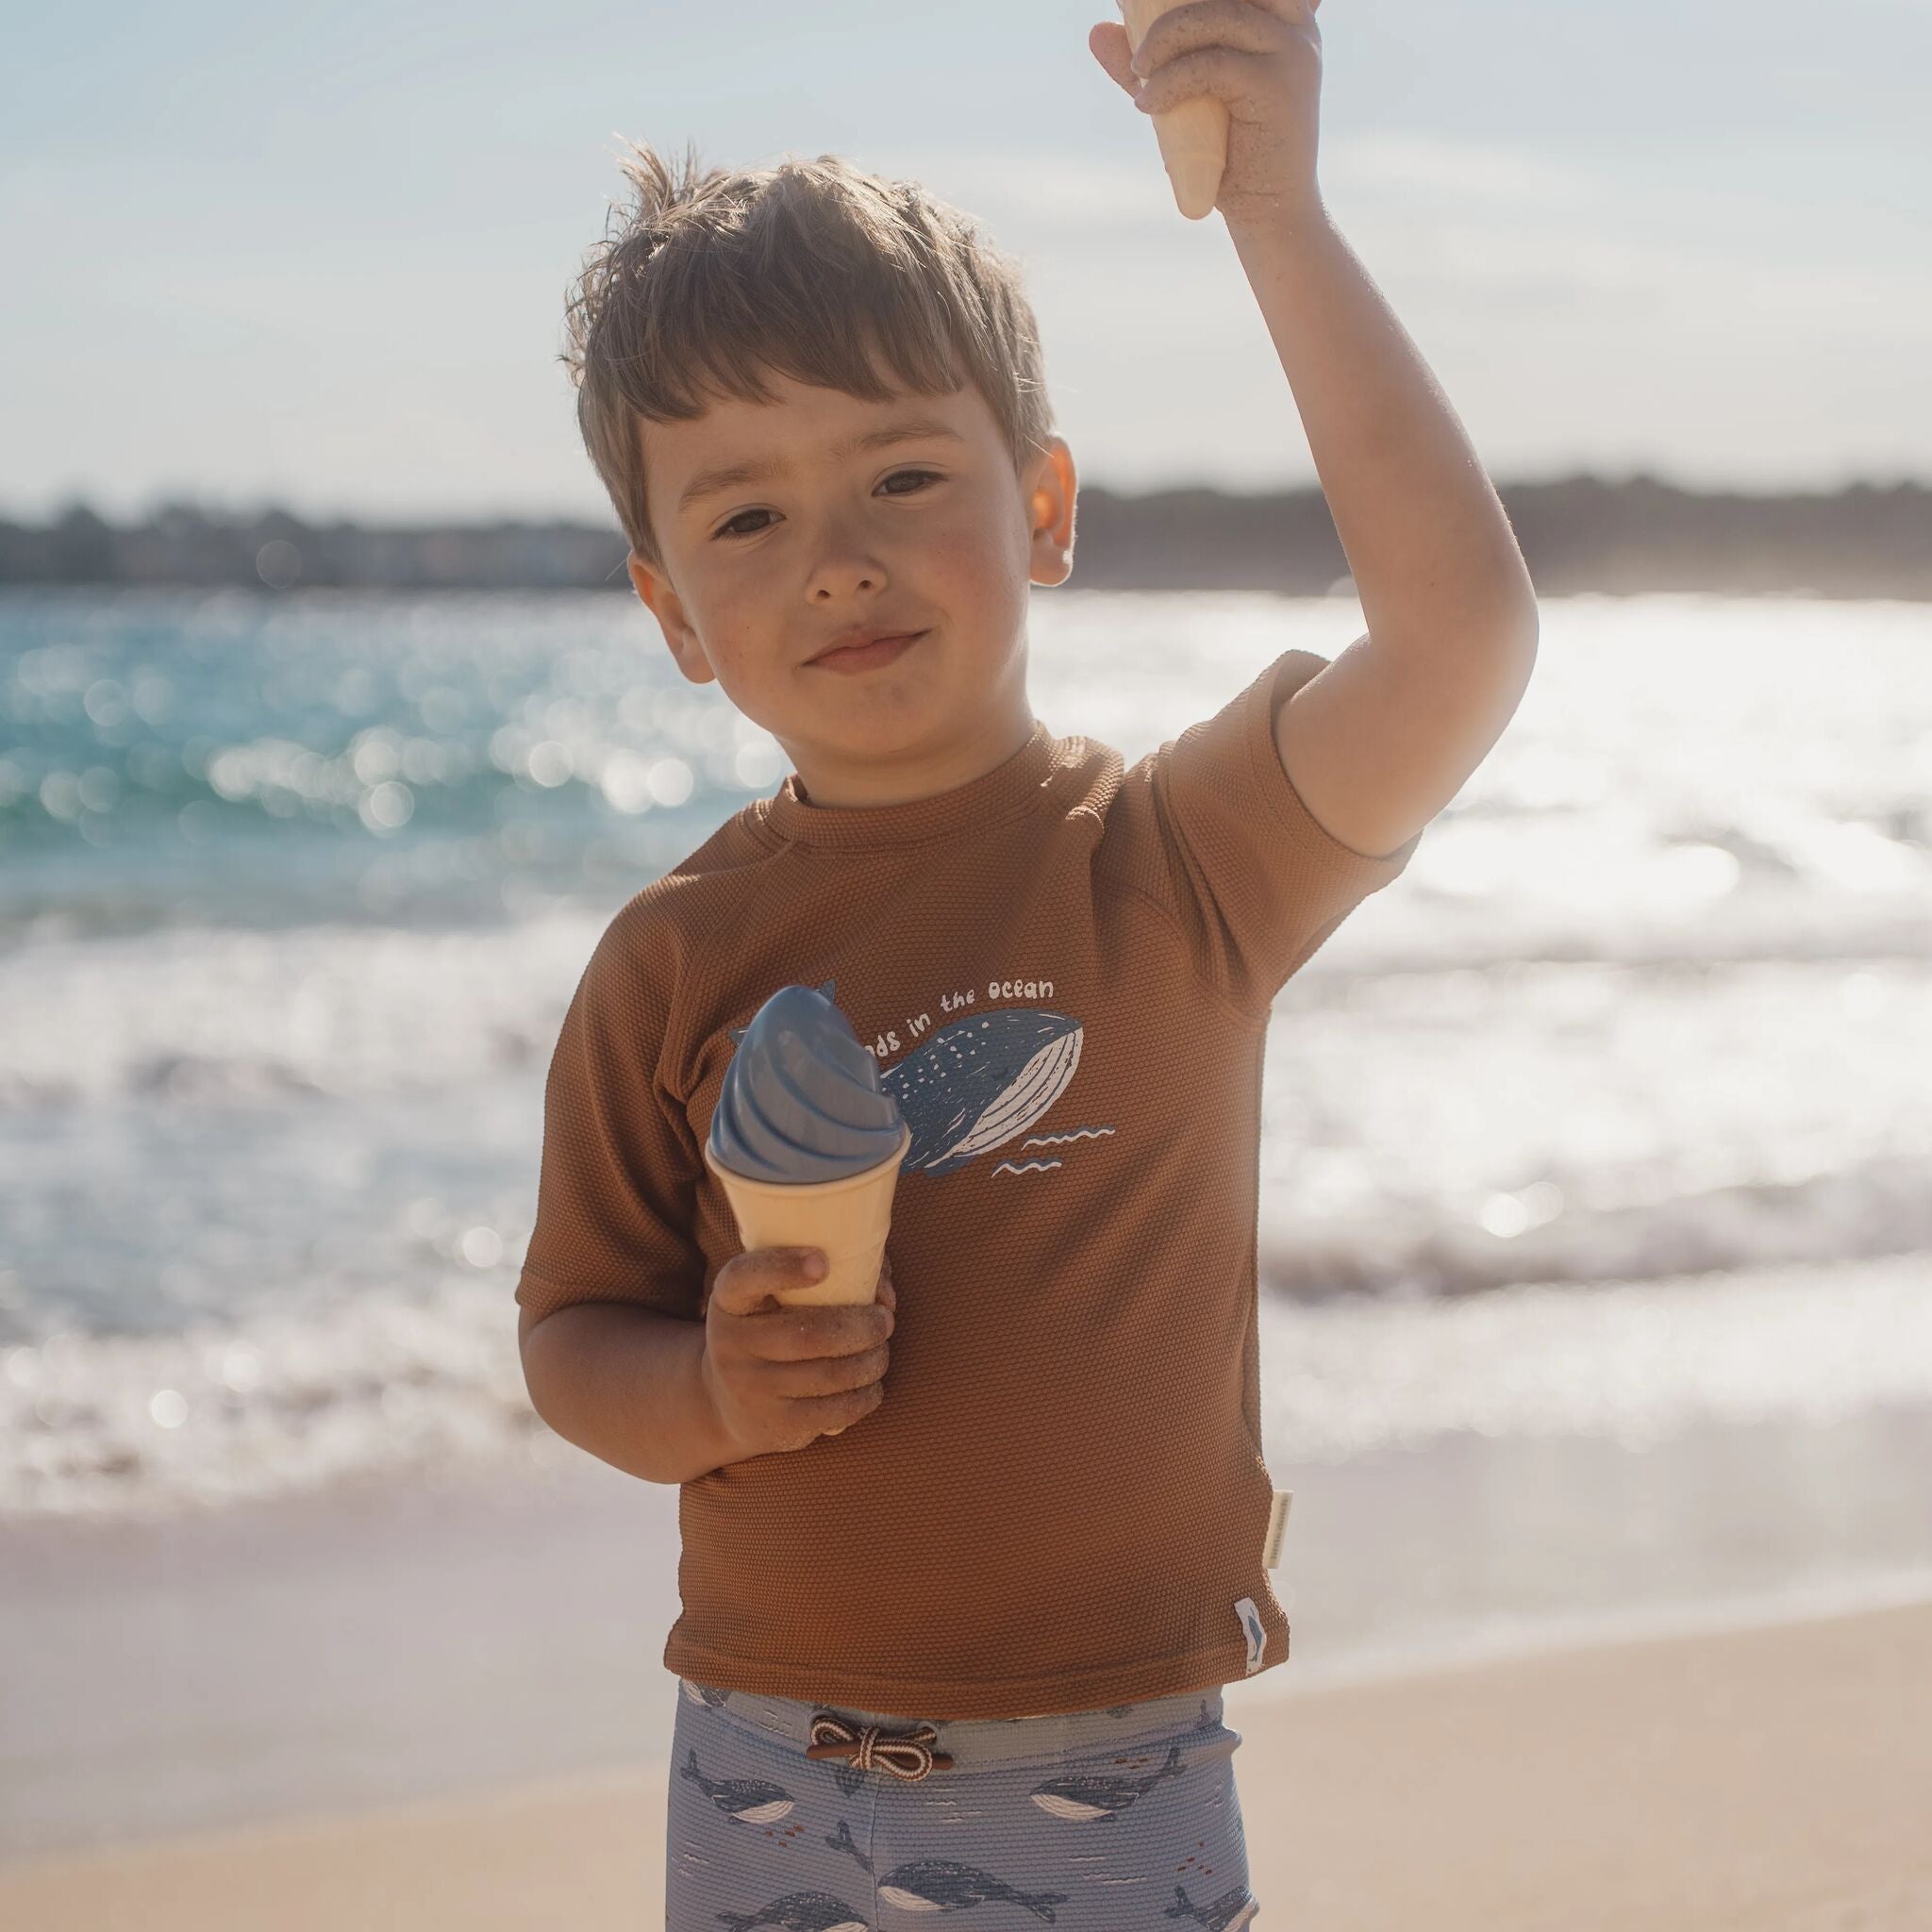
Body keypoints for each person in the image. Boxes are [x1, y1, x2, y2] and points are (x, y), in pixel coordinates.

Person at [517, 5, 1538, 1924]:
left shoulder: (1173, 864)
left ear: (1041, 508)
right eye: (745, 512)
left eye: (904, 478)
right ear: (668, 609)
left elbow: (1457, 635)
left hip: (1110, 1756)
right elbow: (578, 1336)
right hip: (759, 1762)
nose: (836, 556)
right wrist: (718, 1394)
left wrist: (1278, 214)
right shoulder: (667, 955)